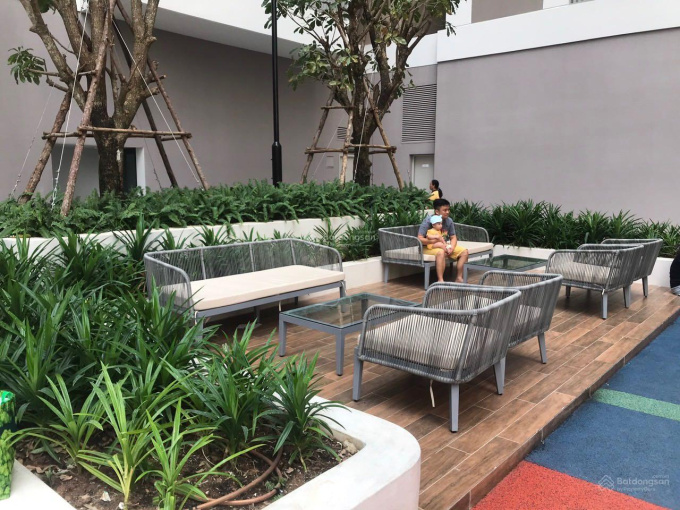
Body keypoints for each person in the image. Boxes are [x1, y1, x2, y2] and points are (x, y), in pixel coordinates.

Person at [418, 198, 469, 283]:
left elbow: (453, 237)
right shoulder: (428, 221)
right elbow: (420, 238)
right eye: (445, 210)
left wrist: (452, 247)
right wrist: (433, 242)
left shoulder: (449, 221)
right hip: (427, 247)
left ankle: (459, 278)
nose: (447, 212)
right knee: (441, 252)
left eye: (448, 210)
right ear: (437, 211)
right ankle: (440, 280)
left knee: (464, 252)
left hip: (443, 245)